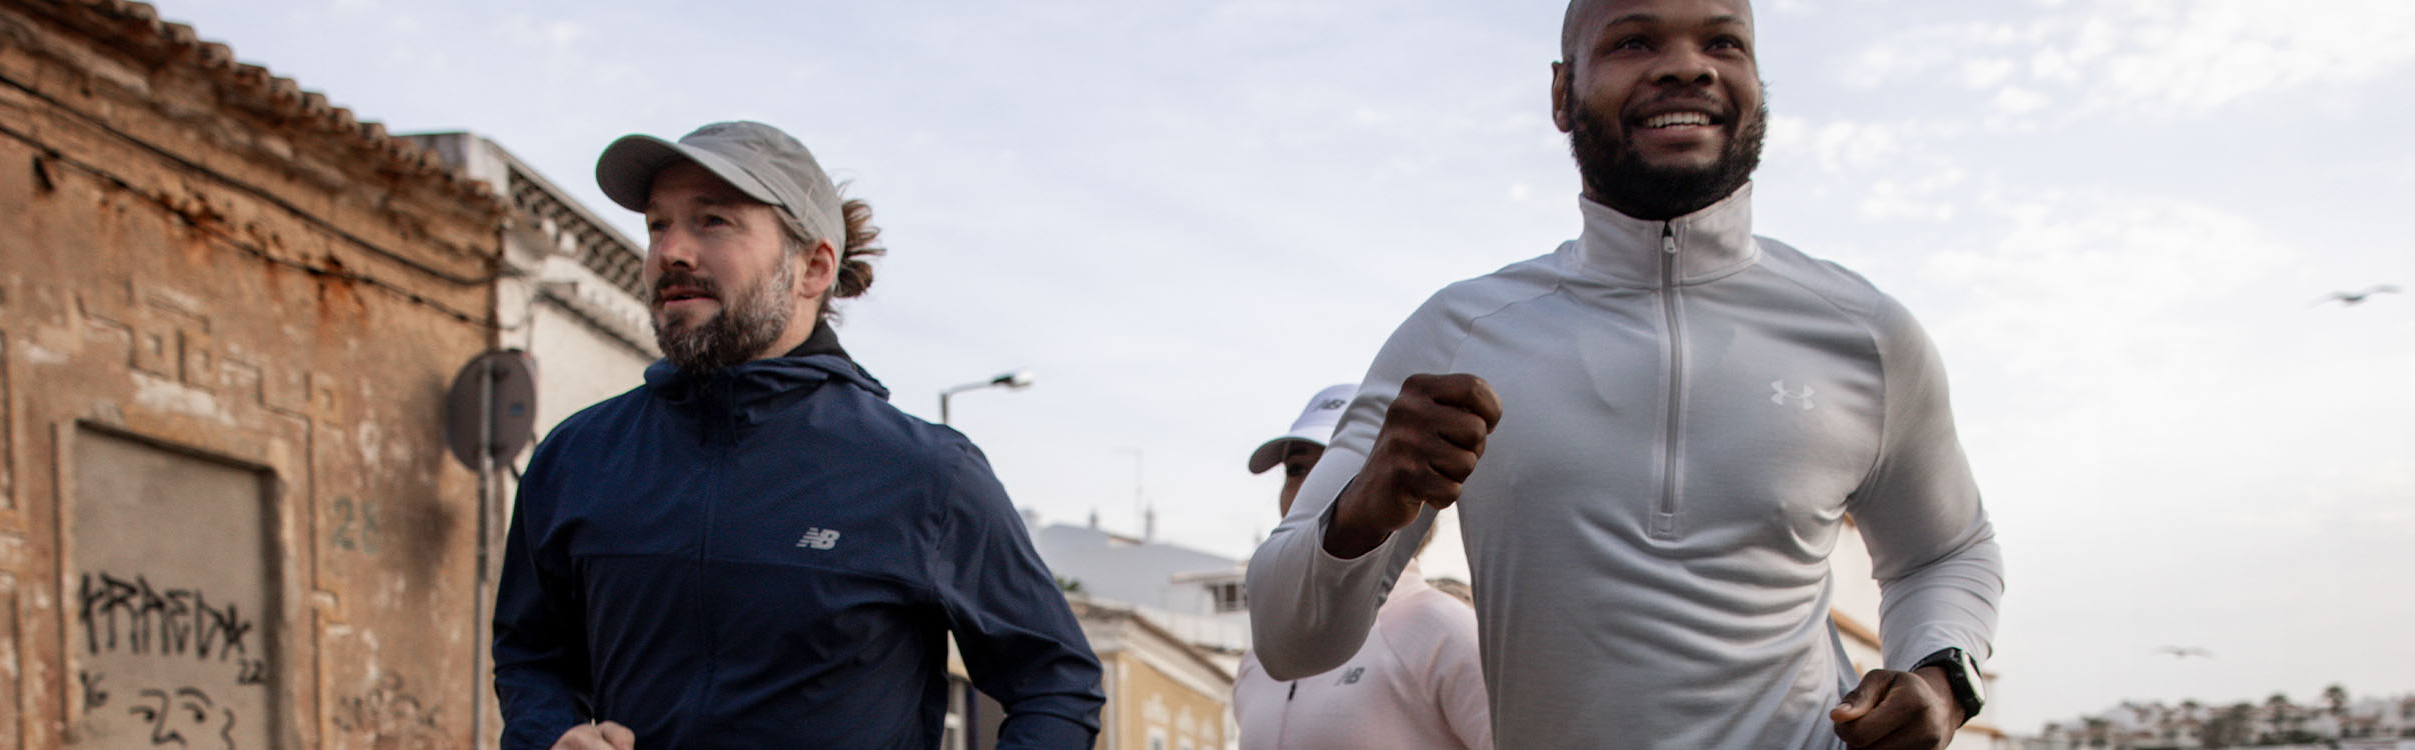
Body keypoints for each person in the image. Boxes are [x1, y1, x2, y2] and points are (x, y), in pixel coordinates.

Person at [1240, 1, 2006, 748]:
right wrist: (1370, 503)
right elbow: (1287, 642)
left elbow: (1946, 550)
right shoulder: (1457, 333)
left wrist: (1941, 677)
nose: (1687, 67)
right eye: (1634, 42)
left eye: (1723, 42)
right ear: (1561, 93)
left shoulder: (1864, 333)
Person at [495, 121, 1105, 750]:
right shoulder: (578, 457)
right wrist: (551, 736)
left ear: (813, 268)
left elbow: (1055, 684)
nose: (670, 251)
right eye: (658, 224)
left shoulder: (925, 473)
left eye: (713, 221)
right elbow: (530, 654)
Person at [1232, 385, 1493, 750]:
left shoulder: (1444, 632)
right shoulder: (1255, 666)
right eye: (1297, 468)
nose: (1310, 487)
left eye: (1332, 464)